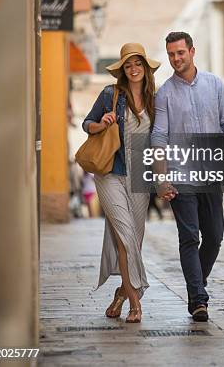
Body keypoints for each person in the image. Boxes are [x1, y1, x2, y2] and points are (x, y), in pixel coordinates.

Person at [152, 32, 224, 322]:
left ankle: (195, 285)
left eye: (180, 53)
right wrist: (161, 179)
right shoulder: (164, 93)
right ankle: (198, 299)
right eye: (171, 54)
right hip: (181, 176)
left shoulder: (215, 84)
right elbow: (159, 137)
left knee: (214, 237)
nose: (176, 59)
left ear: (192, 51)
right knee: (189, 237)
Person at [82, 43, 160, 324]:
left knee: (134, 240)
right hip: (110, 171)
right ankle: (136, 303)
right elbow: (86, 124)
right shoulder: (110, 94)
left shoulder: (155, 98)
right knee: (126, 237)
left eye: (138, 64)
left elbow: (160, 138)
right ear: (123, 70)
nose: (134, 69)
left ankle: (121, 292)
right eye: (129, 65)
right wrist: (101, 123)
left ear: (146, 68)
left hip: (141, 171)